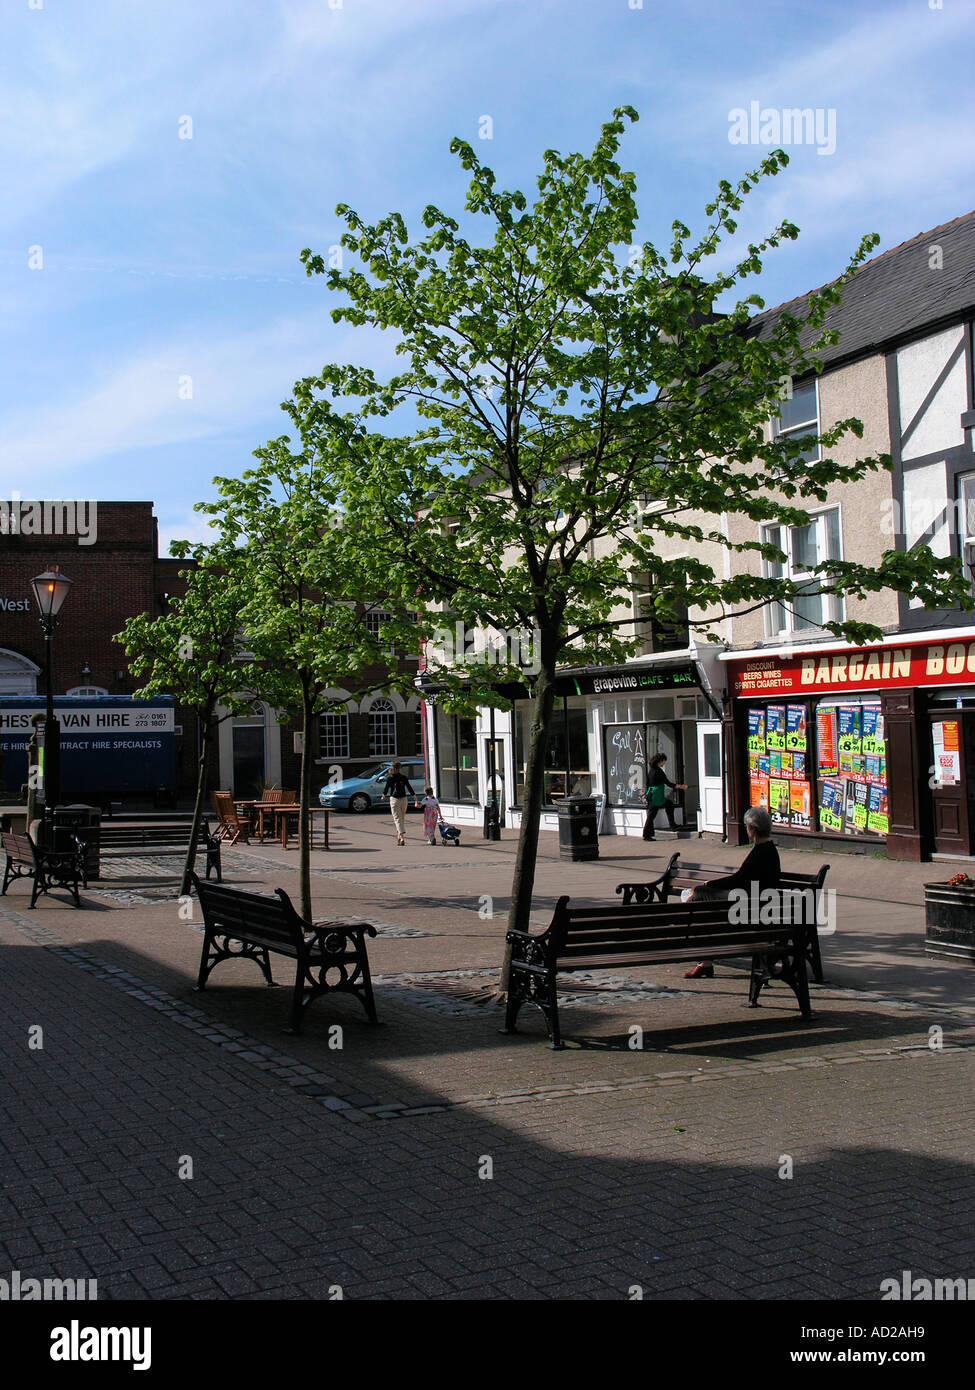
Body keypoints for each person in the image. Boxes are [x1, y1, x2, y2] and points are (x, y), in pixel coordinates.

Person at [682, 804, 781, 978]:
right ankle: (704, 962)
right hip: (754, 903)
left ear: (751, 829)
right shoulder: (768, 850)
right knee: (699, 902)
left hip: (751, 908)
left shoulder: (761, 852)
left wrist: (710, 884)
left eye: (747, 827)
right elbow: (743, 879)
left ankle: (704, 961)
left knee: (698, 896)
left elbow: (739, 879)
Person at [643, 753, 687, 840]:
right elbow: (669, 783)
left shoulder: (651, 770)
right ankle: (647, 835)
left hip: (651, 793)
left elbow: (647, 783)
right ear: (660, 761)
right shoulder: (659, 771)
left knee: (666, 806)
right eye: (664, 761)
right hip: (657, 795)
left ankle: (649, 834)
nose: (664, 763)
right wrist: (681, 786)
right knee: (653, 814)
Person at [381, 761, 418, 846]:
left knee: (398, 819)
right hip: (404, 799)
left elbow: (386, 788)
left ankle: (401, 837)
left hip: (394, 799)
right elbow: (409, 788)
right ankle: (400, 836)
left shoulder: (390, 777)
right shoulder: (403, 777)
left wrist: (384, 795)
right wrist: (415, 798)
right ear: (400, 768)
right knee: (401, 818)